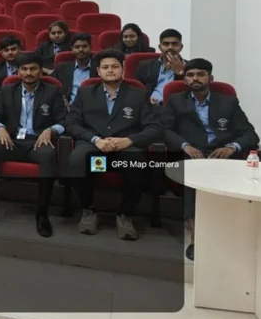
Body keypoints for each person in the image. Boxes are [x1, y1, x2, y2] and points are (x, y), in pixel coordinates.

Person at [160, 58, 260, 260]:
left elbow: (250, 134)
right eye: (190, 75)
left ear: (210, 78)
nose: (195, 78)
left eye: (200, 74)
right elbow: (165, 129)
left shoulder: (228, 102)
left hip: (221, 153)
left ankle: (231, 233)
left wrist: (231, 147)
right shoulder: (176, 101)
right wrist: (185, 145)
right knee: (194, 176)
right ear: (184, 79)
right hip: (192, 153)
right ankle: (196, 237)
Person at [66, 49, 162, 240]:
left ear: (123, 69)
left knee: (136, 161)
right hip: (95, 148)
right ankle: (88, 210)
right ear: (98, 71)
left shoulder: (138, 94)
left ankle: (125, 214)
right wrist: (96, 140)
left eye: (115, 66)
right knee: (78, 160)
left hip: (124, 148)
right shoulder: (85, 92)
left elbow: (154, 128)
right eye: (105, 67)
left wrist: (129, 140)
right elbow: (72, 123)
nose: (110, 70)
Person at [0, 53, 65, 237]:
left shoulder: (52, 91)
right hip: (12, 140)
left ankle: (42, 214)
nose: (28, 73)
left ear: (40, 71)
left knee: (48, 155)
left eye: (33, 69)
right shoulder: (8, 90)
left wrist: (51, 130)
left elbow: (64, 120)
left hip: (38, 140)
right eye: (24, 69)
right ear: (18, 71)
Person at [136, 29, 186, 104]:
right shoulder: (145, 66)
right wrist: (147, 100)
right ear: (160, 47)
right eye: (166, 44)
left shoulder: (190, 67)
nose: (170, 47)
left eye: (174, 44)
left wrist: (180, 72)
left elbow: (189, 91)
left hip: (177, 107)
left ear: (181, 47)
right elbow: (136, 90)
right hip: (151, 106)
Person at [52, 33, 97, 104]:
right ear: (72, 49)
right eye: (77, 47)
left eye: (84, 46)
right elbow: (50, 87)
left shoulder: (99, 68)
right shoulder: (61, 68)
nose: (81, 50)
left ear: (90, 48)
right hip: (68, 107)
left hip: (93, 107)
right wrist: (62, 99)